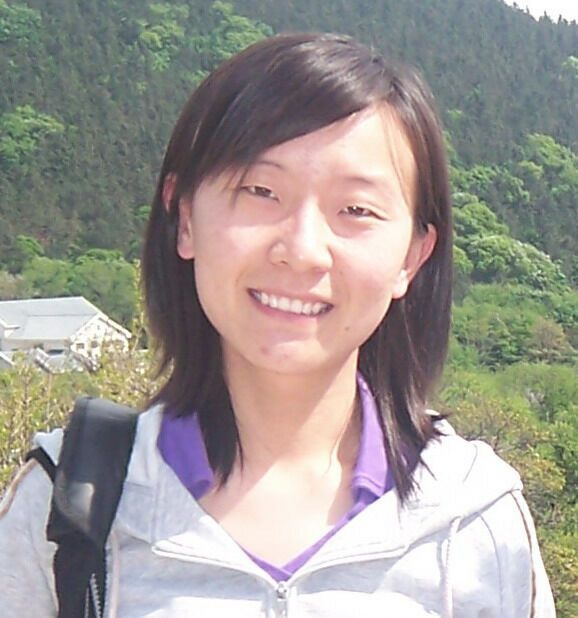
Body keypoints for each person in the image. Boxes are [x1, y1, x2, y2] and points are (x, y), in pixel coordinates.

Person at [0, 33, 554, 617]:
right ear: (185, 218)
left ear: (412, 257)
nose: (302, 249)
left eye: (356, 209)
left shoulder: (474, 522)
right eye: (260, 191)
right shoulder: (68, 507)